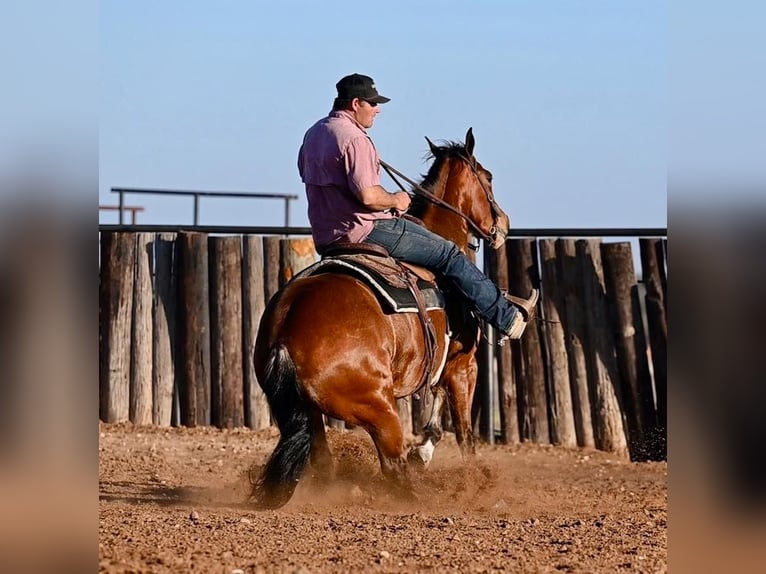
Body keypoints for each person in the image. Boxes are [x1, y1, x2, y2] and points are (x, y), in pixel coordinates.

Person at [297, 73, 538, 343]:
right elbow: (368, 196)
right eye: (372, 103)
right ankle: (506, 317)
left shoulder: (313, 134)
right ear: (355, 103)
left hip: (327, 237)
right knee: (448, 254)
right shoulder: (355, 139)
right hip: (366, 230)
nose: (377, 110)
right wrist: (396, 200)